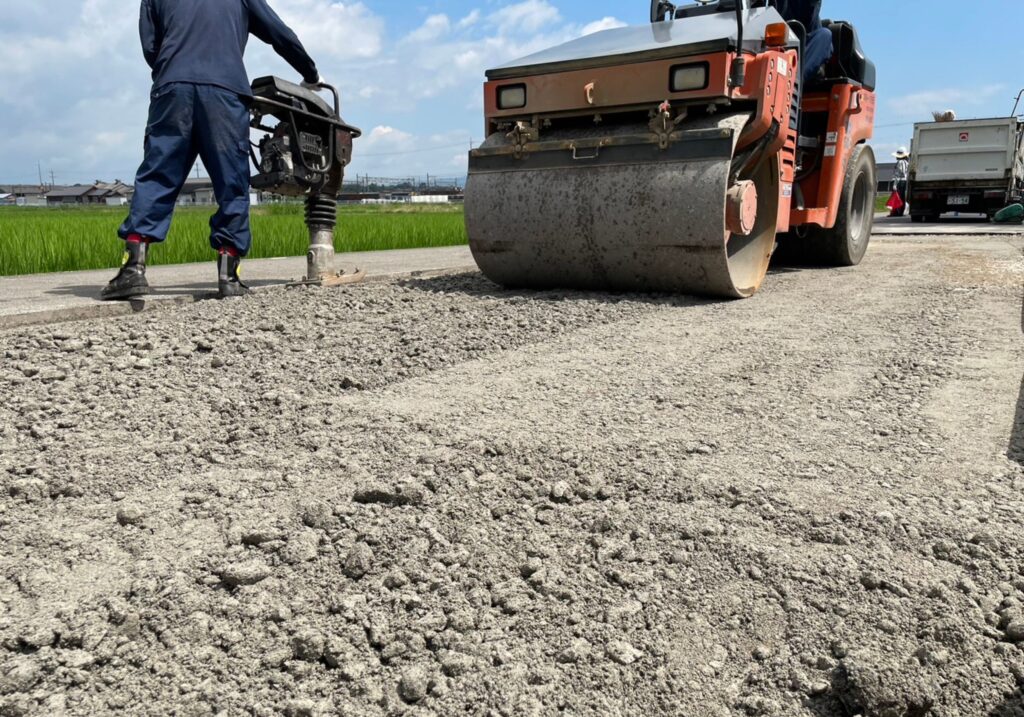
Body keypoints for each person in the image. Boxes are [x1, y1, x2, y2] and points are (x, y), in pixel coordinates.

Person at [103, 0, 324, 301]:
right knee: (231, 181)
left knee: (158, 175)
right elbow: (278, 33)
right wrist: (310, 73)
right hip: (225, 90)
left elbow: (151, 46)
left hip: (173, 87)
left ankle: (133, 270)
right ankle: (228, 275)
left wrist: (176, 69)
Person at [776, 0, 834, 86]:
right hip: (775, 43)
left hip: (804, 50)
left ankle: (793, 83)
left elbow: (808, 15)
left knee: (825, 34)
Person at [890, 147, 910, 218]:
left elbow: (898, 174)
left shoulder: (900, 162)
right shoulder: (906, 162)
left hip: (899, 181)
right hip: (904, 181)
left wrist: (895, 184)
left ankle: (896, 212)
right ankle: (900, 211)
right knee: (902, 197)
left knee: (897, 197)